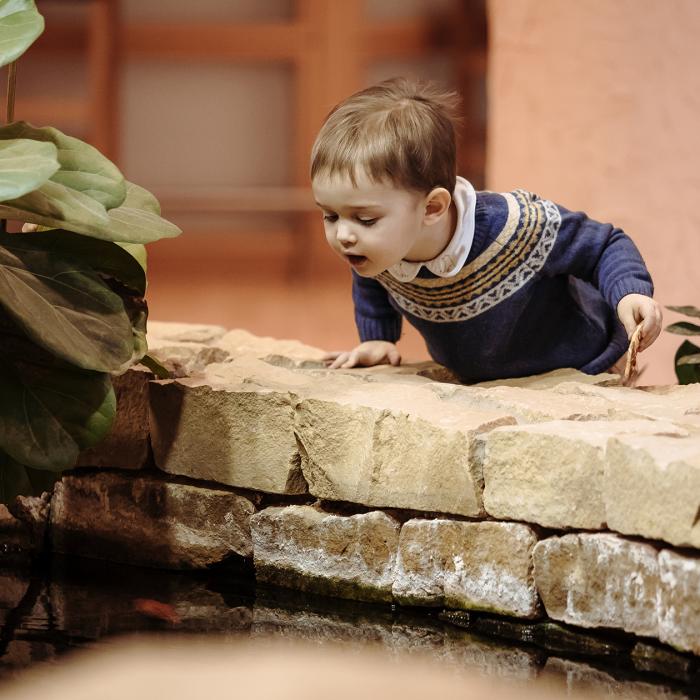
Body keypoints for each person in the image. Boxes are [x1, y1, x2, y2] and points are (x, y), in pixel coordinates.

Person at [310, 77, 662, 383]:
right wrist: (378, 338)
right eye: (330, 216)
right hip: (488, 381)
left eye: (365, 219)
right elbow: (371, 276)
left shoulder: (518, 227)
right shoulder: (378, 249)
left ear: (432, 207)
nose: (344, 235)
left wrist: (629, 293)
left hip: (581, 367)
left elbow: (603, 245)